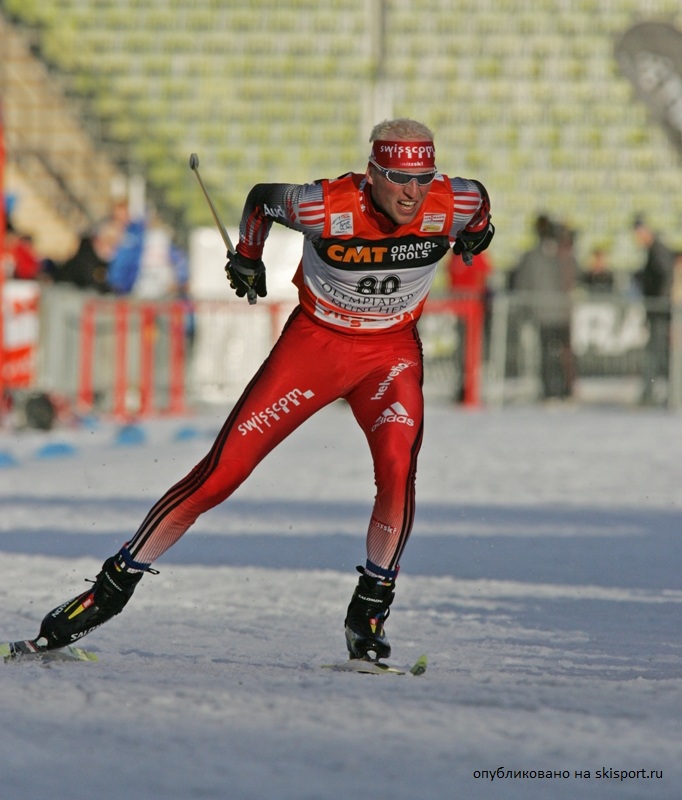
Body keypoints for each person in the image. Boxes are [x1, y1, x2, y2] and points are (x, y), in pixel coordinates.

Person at [27, 118, 494, 662]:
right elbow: (263, 201)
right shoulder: (326, 207)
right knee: (221, 474)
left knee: (398, 469)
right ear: (372, 174)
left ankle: (369, 608)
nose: (412, 193)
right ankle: (108, 590)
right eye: (397, 178)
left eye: (423, 177)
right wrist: (247, 256)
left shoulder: (454, 200)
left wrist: (480, 233)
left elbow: (480, 208)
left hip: (388, 357)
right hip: (316, 348)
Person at [509, 214, 576, 400]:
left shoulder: (537, 256)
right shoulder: (561, 255)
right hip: (558, 312)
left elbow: (522, 283)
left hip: (547, 313)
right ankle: (559, 389)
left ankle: (554, 389)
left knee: (550, 354)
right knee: (557, 353)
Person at [632, 215, 676, 405]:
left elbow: (664, 277)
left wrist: (659, 301)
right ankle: (661, 391)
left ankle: (656, 393)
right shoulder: (655, 249)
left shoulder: (658, 250)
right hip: (657, 310)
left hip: (659, 310)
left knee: (658, 352)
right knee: (658, 352)